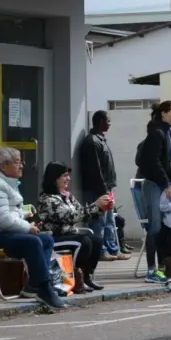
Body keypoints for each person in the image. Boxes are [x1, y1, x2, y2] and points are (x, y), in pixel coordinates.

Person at [0, 148, 65, 309]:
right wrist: (27, 227)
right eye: (17, 162)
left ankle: (33, 285)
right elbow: (0, 218)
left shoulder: (8, 183)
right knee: (32, 242)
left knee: (46, 239)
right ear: (4, 166)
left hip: (7, 232)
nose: (22, 165)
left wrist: (28, 219)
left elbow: (10, 213)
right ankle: (43, 287)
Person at [35, 162, 113, 293]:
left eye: (68, 175)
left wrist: (101, 209)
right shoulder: (47, 199)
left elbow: (82, 214)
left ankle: (86, 277)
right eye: (64, 176)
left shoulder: (67, 196)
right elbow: (69, 217)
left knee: (96, 240)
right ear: (54, 178)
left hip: (68, 234)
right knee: (83, 242)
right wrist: (95, 205)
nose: (68, 179)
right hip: (54, 237)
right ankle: (74, 278)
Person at [136, 100, 171, 284]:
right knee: (154, 228)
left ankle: (166, 267)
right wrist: (166, 185)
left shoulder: (166, 133)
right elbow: (153, 162)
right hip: (154, 185)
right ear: (163, 114)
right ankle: (151, 270)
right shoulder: (157, 133)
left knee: (165, 227)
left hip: (161, 184)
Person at [76, 110, 125, 260]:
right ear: (100, 121)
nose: (110, 124)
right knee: (99, 222)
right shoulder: (92, 141)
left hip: (106, 188)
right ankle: (100, 251)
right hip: (97, 189)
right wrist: (103, 190)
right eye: (108, 121)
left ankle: (112, 249)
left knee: (109, 221)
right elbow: (95, 169)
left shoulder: (100, 140)